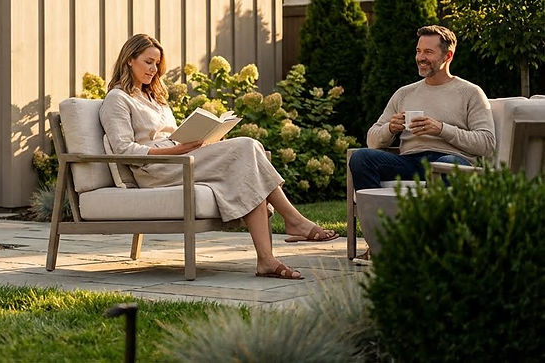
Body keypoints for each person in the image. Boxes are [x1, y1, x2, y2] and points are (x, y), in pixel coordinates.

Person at [99, 34, 338, 281]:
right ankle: (294, 221)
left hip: (181, 157)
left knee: (247, 157)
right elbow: (123, 150)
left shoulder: (155, 98)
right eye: (148, 62)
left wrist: (206, 140)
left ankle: (267, 259)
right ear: (129, 60)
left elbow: (173, 137)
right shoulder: (117, 99)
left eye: (157, 64)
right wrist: (177, 150)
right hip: (157, 169)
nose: (154, 69)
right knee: (247, 146)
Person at [349, 25, 496, 263]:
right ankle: (378, 244)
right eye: (418, 51)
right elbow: (373, 138)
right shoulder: (404, 94)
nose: (420, 57)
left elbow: (487, 143)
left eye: (428, 52)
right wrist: (391, 128)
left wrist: (441, 129)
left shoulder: (470, 93)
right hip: (409, 161)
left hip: (449, 161)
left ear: (448, 55)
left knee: (448, 164)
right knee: (362, 158)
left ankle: (434, 246)